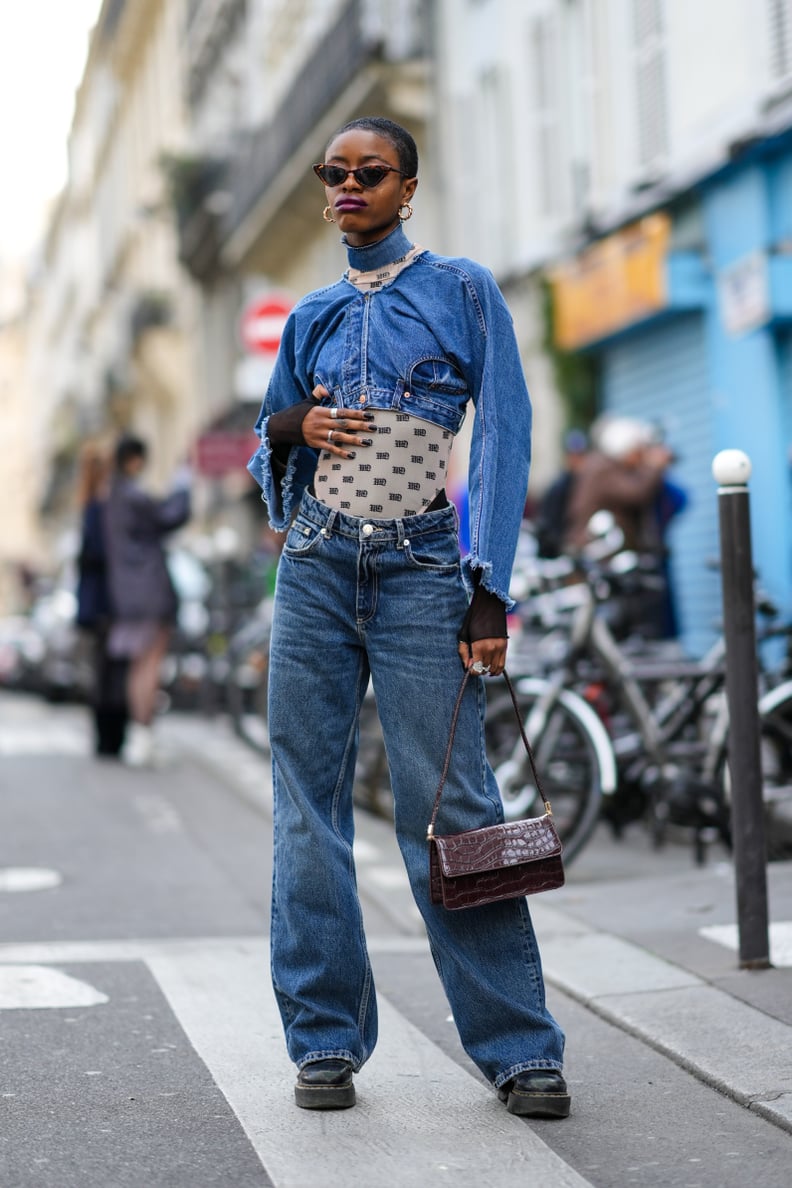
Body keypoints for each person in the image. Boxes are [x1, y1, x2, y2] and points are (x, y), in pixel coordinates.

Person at [247, 116, 568, 1116]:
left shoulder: (462, 291)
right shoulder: (310, 316)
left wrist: (489, 588)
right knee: (307, 808)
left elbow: (508, 435)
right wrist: (296, 424)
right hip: (313, 564)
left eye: (369, 173)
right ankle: (326, 1042)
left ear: (408, 187)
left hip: (426, 571)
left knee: (456, 806)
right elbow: (271, 444)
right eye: (334, 174)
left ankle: (519, 1046)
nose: (348, 187)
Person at [103, 435, 191, 766]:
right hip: (150, 591)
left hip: (126, 594)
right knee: (150, 664)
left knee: (138, 665)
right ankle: (143, 736)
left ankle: (138, 737)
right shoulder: (133, 495)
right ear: (134, 460)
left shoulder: (114, 497)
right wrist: (183, 483)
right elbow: (171, 516)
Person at [75, 444, 129, 757]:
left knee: (102, 669)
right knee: (112, 669)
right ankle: (111, 739)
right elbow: (104, 555)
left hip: (94, 603)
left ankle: (105, 739)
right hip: (109, 601)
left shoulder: (88, 506)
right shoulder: (102, 508)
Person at [534, 428, 588, 558]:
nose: (577, 460)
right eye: (573, 455)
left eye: (580, 455)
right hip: (556, 547)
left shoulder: (582, 481)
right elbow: (549, 521)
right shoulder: (560, 485)